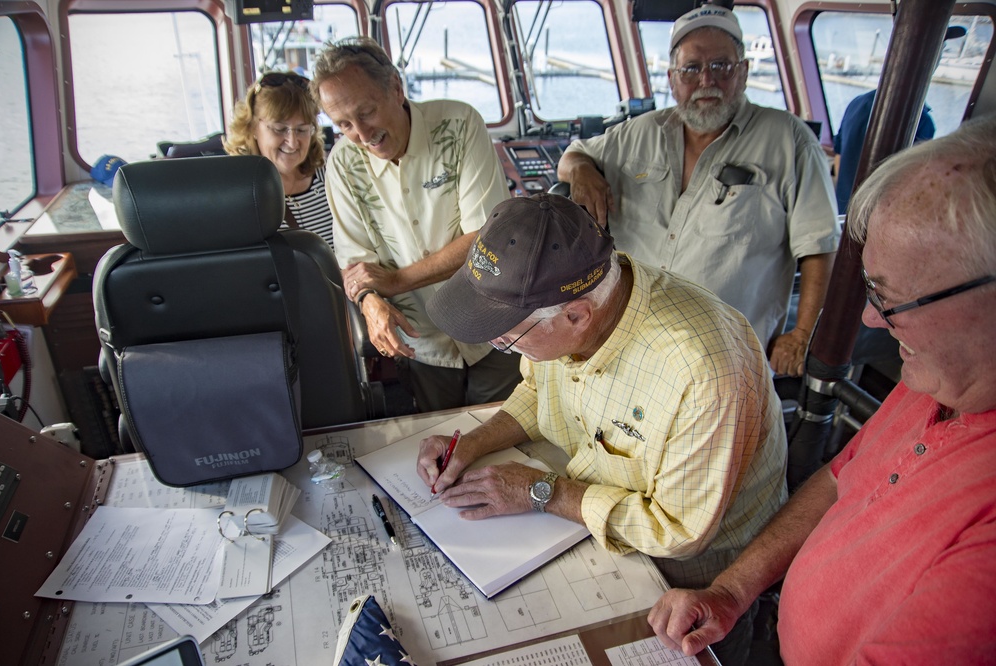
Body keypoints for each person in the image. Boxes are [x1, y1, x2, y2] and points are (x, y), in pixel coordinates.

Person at [648, 115, 996, 664]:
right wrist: (732, 591)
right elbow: (840, 478)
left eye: (892, 300)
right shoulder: (938, 379)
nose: (870, 320)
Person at [421, 193, 788, 665]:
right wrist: (473, 442)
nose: (500, 345)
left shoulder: (702, 371)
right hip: (596, 530)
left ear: (576, 315)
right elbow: (539, 394)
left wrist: (540, 491)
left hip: (695, 577)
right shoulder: (576, 309)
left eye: (506, 338)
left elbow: (679, 531)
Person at [557, 4, 839, 378]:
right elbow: (574, 154)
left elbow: (819, 246)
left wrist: (801, 334)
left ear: (744, 73)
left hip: (722, 363)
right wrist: (580, 169)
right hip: (627, 348)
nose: (706, 80)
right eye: (691, 69)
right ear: (673, 79)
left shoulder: (789, 141)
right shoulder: (638, 133)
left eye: (721, 66)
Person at [310, 37, 520, 413]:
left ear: (395, 87)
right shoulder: (342, 164)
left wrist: (394, 281)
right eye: (343, 124)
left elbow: (485, 238)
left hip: (494, 326)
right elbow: (357, 267)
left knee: (504, 438)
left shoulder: (459, 125)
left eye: (367, 112)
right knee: (439, 447)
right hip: (421, 343)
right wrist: (370, 300)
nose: (361, 133)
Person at [833, 25, 966, 213]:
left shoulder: (857, 104)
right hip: (880, 218)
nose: (940, 56)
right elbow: (914, 182)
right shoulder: (921, 121)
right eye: (939, 50)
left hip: (843, 213)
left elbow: (839, 157)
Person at [223, 70, 335, 247]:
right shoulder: (238, 196)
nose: (292, 143)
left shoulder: (332, 177)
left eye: (302, 130)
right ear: (252, 127)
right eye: (279, 129)